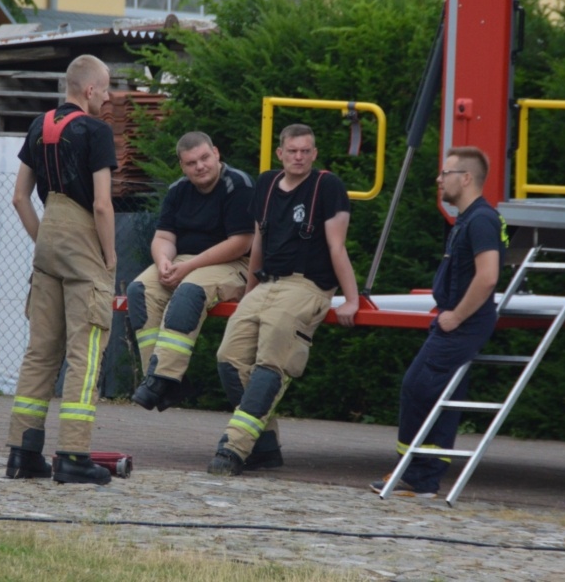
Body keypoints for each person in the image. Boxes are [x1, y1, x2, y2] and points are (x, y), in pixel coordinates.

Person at [207, 123, 360, 476]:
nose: (299, 157)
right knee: (228, 359)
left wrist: (350, 299)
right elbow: (258, 240)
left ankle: (233, 448)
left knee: (270, 365)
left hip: (306, 287)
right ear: (280, 153)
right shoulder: (266, 184)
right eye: (292, 151)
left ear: (315, 153)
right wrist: (249, 293)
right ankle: (265, 447)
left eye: (306, 151)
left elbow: (337, 246)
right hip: (265, 285)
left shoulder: (328, 186)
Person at [5, 54, 118, 485]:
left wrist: (44, 243)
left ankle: (23, 453)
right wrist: (108, 257)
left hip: (48, 237)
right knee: (85, 351)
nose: (108, 98)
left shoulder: (39, 125)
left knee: (40, 351)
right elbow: (103, 205)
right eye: (105, 90)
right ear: (89, 90)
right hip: (84, 237)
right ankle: (72, 455)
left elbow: (19, 198)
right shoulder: (96, 131)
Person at [371, 146, 507, 498]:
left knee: (418, 387)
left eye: (445, 173)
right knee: (440, 394)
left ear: (465, 178)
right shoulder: (469, 218)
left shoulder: (480, 220)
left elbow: (488, 276)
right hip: (456, 322)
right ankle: (422, 477)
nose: (438, 179)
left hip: (462, 324)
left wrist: (456, 316)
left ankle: (416, 475)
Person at [127, 131, 254, 413]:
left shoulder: (238, 185)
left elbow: (241, 243)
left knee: (190, 290)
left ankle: (161, 379)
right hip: (186, 261)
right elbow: (164, 237)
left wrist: (188, 267)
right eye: (191, 162)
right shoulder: (177, 190)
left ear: (217, 153)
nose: (200, 166)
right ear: (182, 166)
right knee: (139, 289)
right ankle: (164, 381)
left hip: (233, 264)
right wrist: (163, 262)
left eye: (205, 158)